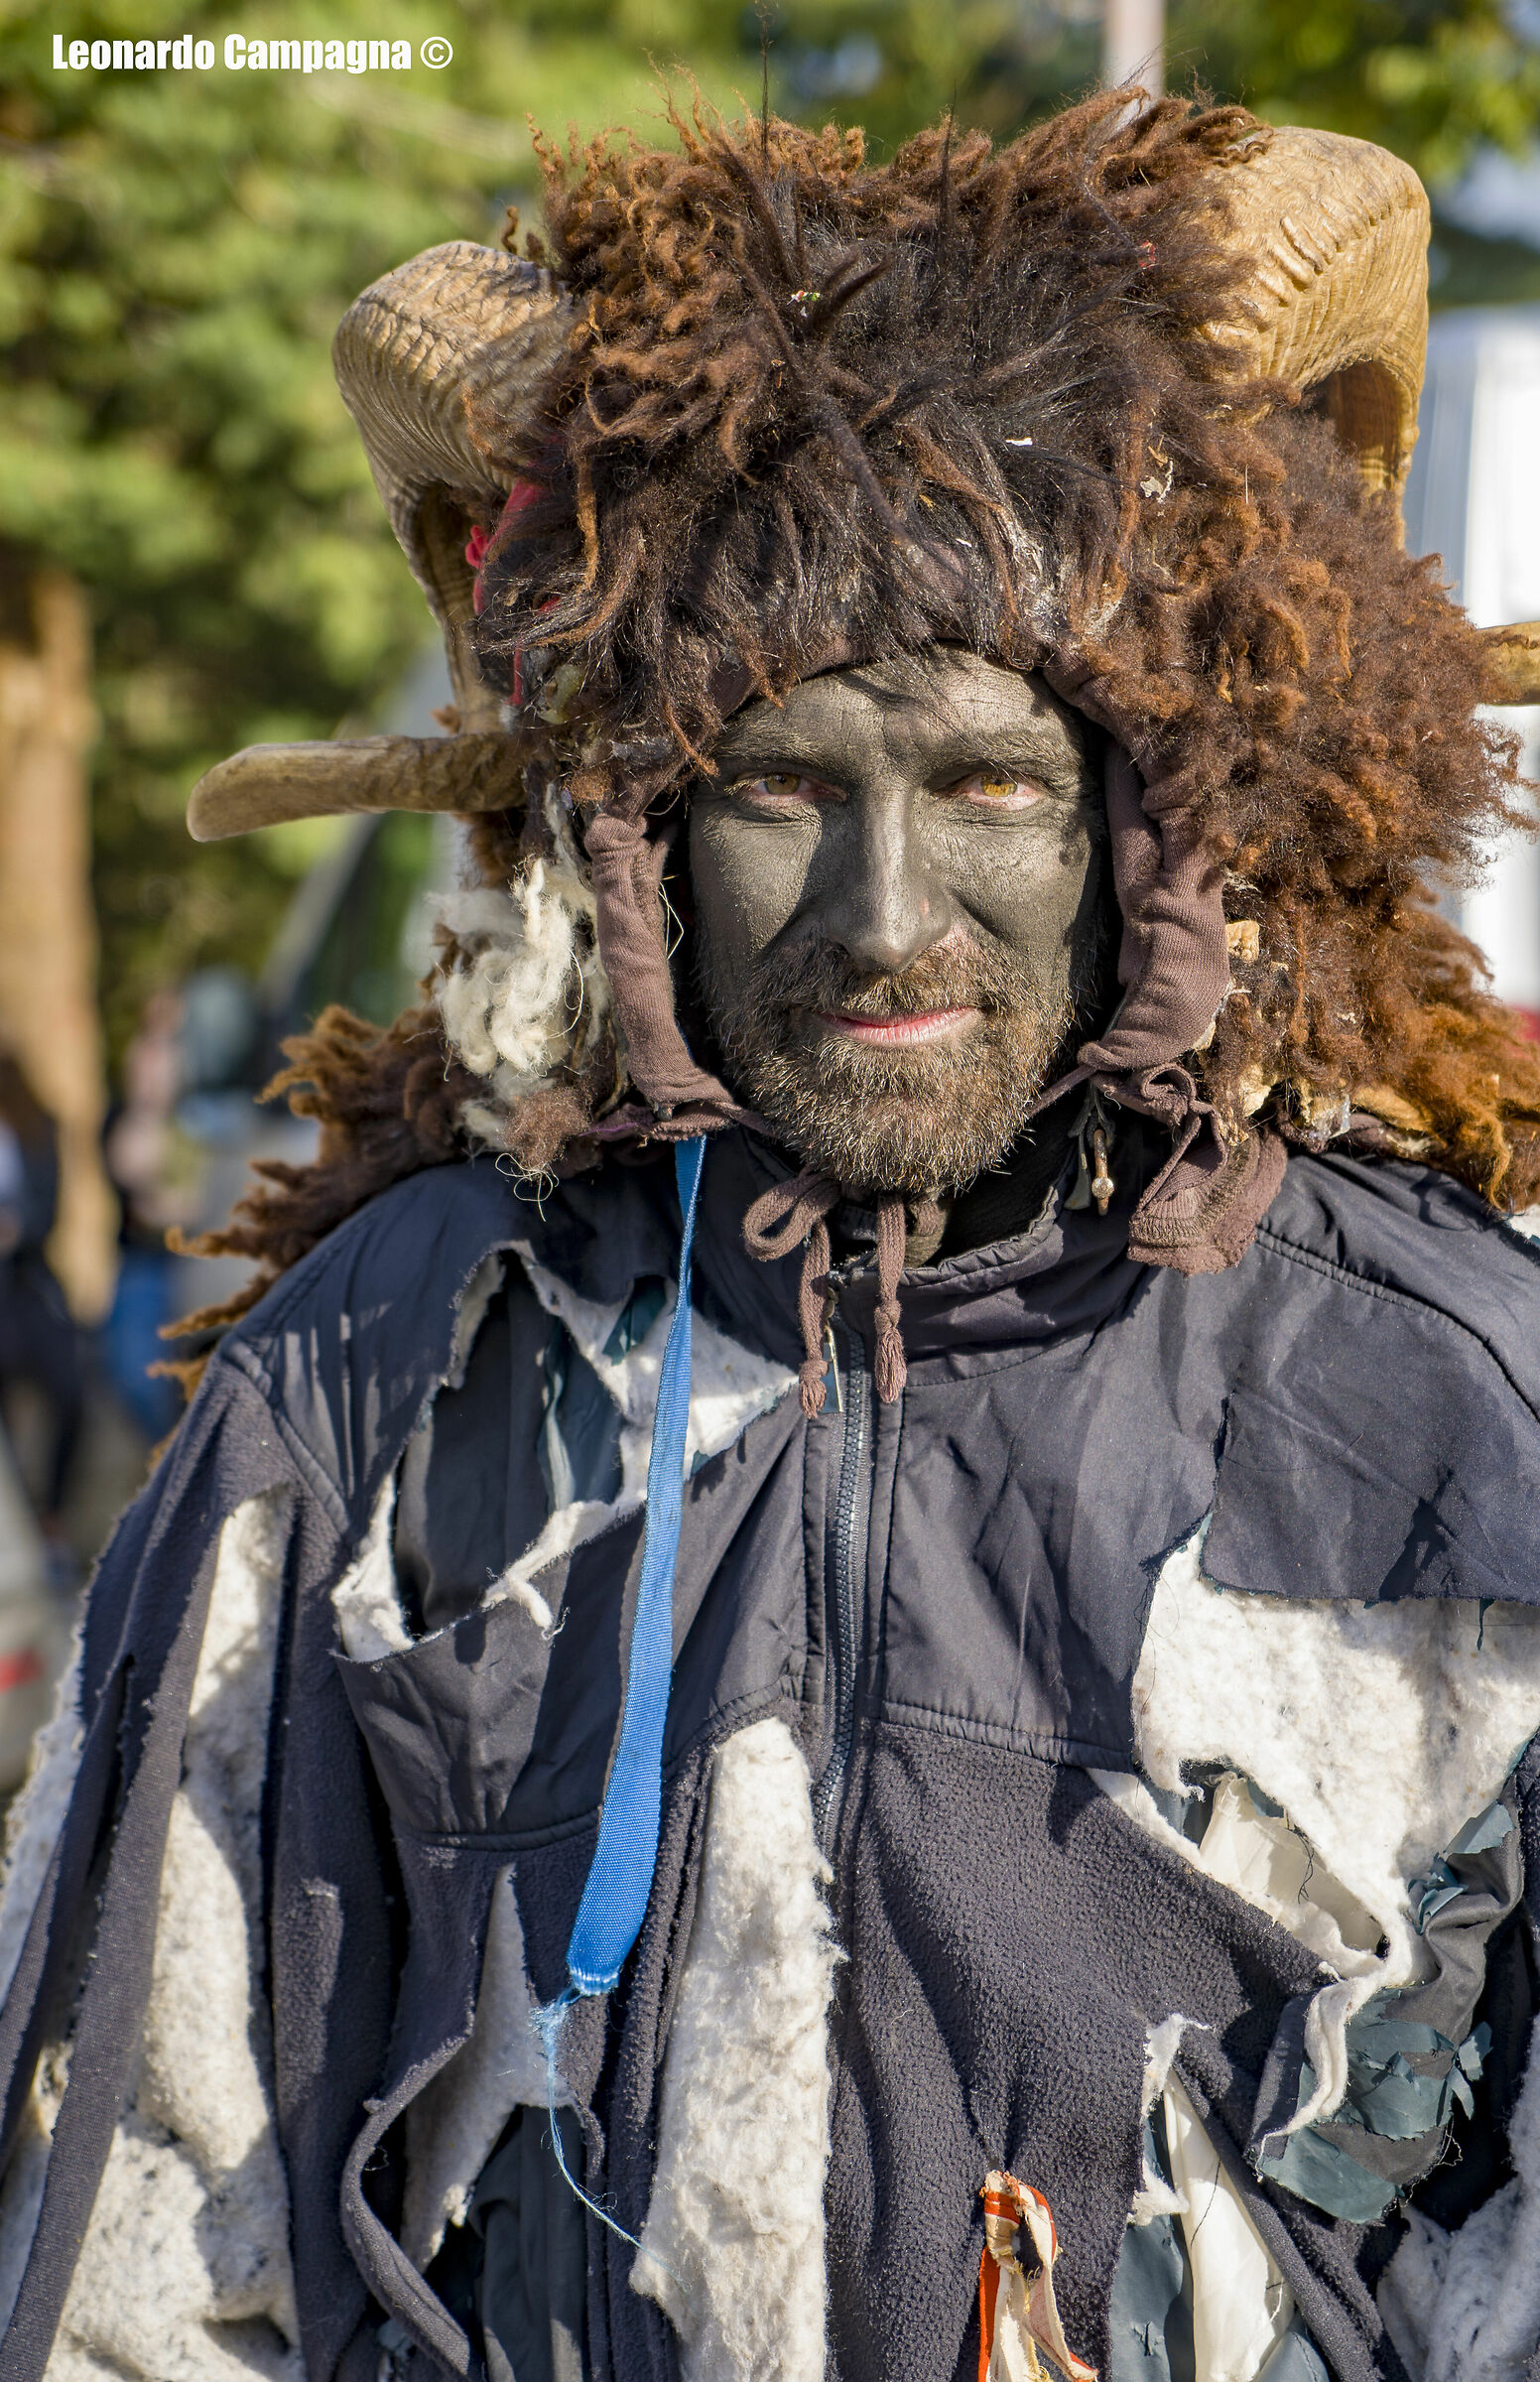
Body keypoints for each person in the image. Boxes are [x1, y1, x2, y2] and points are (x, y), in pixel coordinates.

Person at [3, 90, 1540, 2382]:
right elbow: (150, 2224)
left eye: (991, 783)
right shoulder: (384, 1382)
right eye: (777, 787)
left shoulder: (1445, 1404)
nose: (882, 917)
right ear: (626, 838)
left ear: (1154, 826)